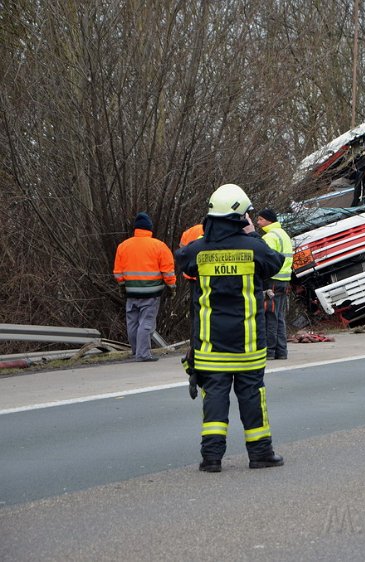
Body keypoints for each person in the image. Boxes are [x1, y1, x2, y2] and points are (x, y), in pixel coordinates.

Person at [174, 184, 286, 472]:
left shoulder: (199, 249)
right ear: (241, 216)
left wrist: (206, 237)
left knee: (214, 399)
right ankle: (260, 454)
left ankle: (211, 458)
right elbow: (274, 262)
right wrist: (252, 234)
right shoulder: (254, 248)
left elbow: (182, 258)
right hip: (248, 344)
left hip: (211, 346)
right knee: (252, 396)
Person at [113, 212, 177, 362]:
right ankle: (142, 354)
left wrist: (123, 286)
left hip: (131, 292)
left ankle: (136, 351)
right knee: (146, 323)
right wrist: (171, 287)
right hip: (151, 292)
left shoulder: (123, 246)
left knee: (132, 322)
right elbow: (168, 271)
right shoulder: (159, 246)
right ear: (150, 228)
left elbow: (118, 272)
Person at [255, 208, 294, 360]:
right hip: (284, 280)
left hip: (273, 280)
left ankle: (270, 351)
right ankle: (281, 351)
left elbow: (266, 260)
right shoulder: (283, 234)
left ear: (269, 220)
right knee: (279, 316)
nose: (258, 223)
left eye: (261, 220)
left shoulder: (270, 237)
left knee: (270, 316)